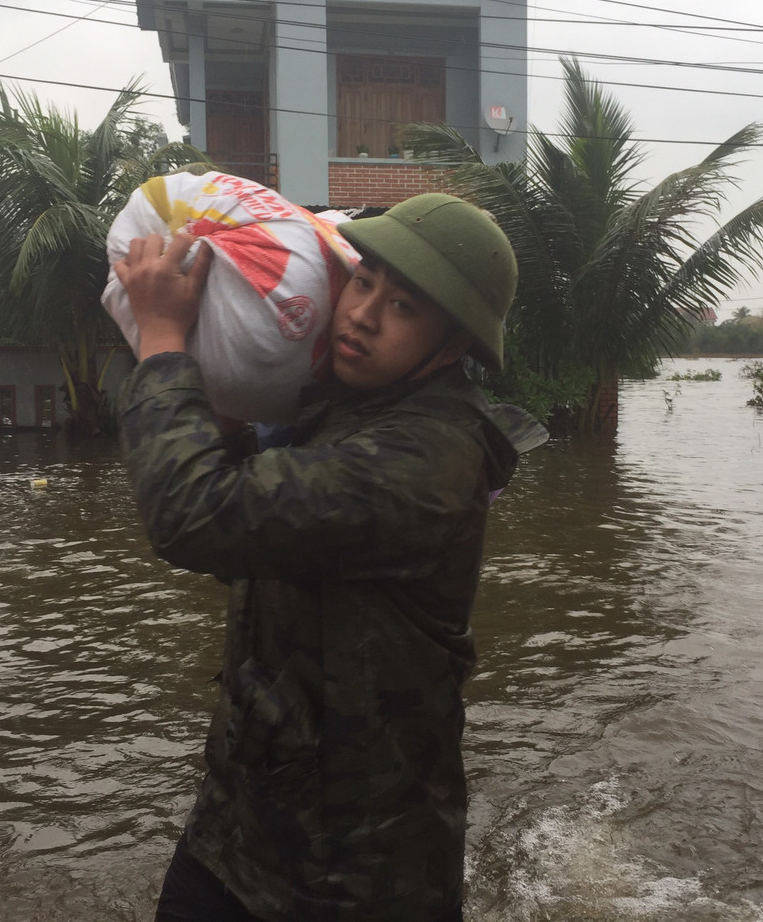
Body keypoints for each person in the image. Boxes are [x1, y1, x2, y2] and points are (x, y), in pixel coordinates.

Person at [114, 194, 547, 921]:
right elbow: (254, 549)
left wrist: (163, 341)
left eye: (404, 306)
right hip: (242, 823)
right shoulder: (343, 410)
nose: (362, 313)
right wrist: (219, 410)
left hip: (359, 872)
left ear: (453, 345)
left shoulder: (421, 458)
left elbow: (195, 518)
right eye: (365, 279)